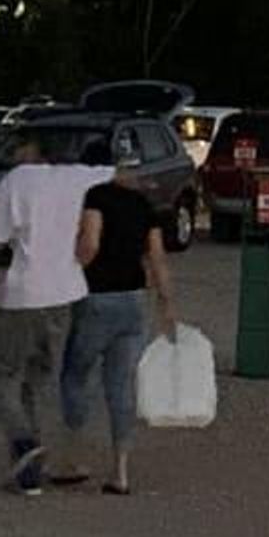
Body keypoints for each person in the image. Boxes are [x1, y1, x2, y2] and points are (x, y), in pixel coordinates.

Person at [0, 135, 114, 495]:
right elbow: (121, 174)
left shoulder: (17, 180)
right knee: (36, 379)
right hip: (65, 292)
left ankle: (24, 442)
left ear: (29, 153)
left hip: (24, 294)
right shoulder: (76, 177)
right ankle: (27, 473)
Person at [54, 146, 178, 495]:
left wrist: (68, 270)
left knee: (75, 375)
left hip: (97, 298)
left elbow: (90, 243)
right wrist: (167, 304)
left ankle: (73, 456)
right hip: (133, 301)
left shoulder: (96, 196)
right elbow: (157, 258)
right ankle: (120, 470)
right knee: (121, 386)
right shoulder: (144, 207)